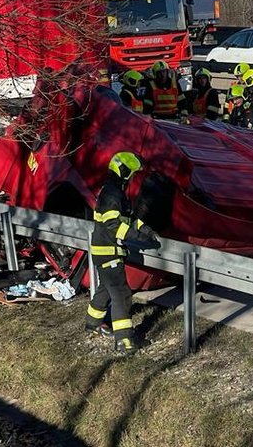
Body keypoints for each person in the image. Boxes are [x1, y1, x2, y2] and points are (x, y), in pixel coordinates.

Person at [85, 151, 160, 354]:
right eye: (132, 174)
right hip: (108, 252)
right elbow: (112, 225)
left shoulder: (114, 192)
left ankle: (92, 323)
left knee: (105, 289)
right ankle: (124, 342)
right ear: (125, 171)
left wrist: (143, 228)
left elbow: (127, 218)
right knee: (122, 295)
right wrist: (136, 236)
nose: (134, 178)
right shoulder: (112, 194)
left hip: (105, 251)